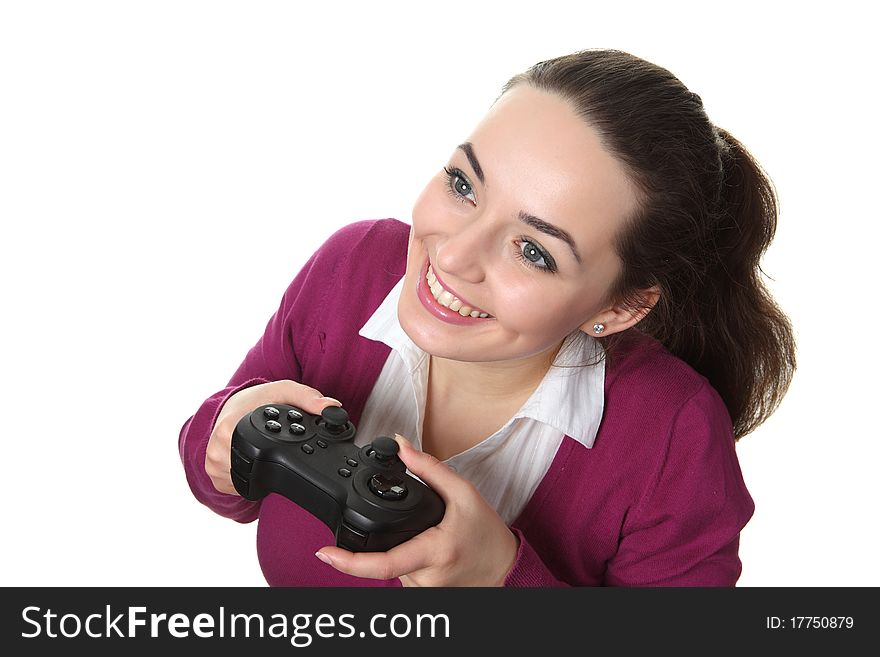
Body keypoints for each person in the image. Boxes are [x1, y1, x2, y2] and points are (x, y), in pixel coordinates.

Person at [178, 48, 796, 587]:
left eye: (534, 251)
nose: (452, 254)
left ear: (620, 306)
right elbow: (221, 469)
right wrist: (221, 433)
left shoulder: (673, 434)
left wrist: (501, 584)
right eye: (464, 185)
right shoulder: (354, 267)